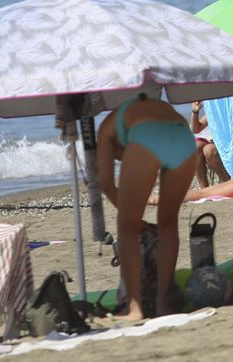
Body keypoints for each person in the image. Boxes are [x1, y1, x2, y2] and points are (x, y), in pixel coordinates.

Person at [96, 93, 199, 321]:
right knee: (168, 221)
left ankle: (135, 308)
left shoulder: (104, 130)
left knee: (126, 228)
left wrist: (134, 221)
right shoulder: (147, 107)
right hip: (184, 136)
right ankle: (163, 302)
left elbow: (104, 181)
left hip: (148, 136)